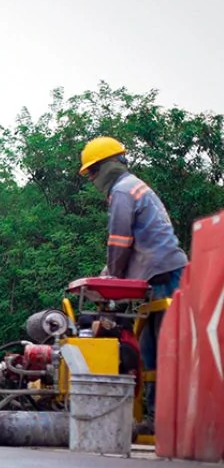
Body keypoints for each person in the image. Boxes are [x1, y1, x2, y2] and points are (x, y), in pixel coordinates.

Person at [79, 136, 189, 418]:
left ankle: (166, 415)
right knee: (150, 348)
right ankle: (154, 414)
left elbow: (119, 240)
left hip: (164, 273)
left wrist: (111, 280)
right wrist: (109, 276)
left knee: (166, 346)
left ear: (107, 166)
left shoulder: (123, 192)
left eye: (92, 171)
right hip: (159, 273)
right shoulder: (132, 187)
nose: (92, 179)